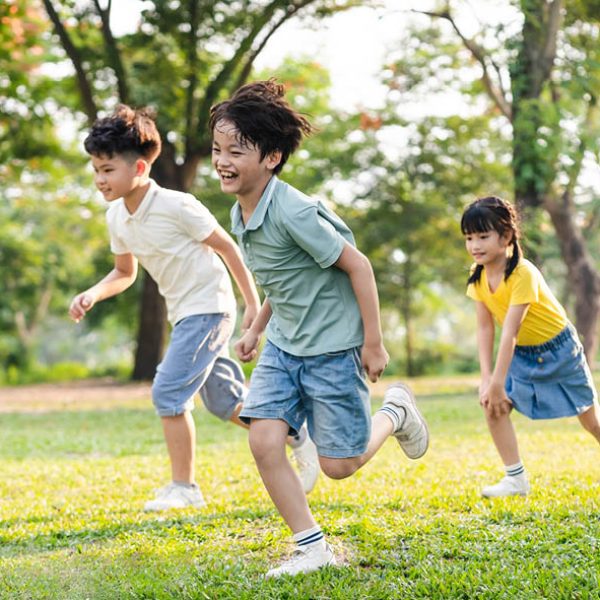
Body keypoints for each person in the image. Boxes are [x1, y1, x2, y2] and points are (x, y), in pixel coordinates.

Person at [209, 80, 429, 577]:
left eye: (236, 151)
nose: (222, 161)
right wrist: (256, 327)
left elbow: (360, 267)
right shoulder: (240, 211)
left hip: (334, 347)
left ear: (272, 157)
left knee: (339, 466)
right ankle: (311, 547)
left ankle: (395, 411)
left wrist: (373, 343)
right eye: (218, 149)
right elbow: (282, 279)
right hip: (286, 345)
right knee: (263, 440)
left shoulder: (295, 212)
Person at [68, 104, 319, 511]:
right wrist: (93, 293)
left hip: (209, 307)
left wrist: (252, 307)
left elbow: (229, 249)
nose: (99, 179)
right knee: (225, 402)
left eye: (107, 169)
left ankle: (184, 487)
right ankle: (294, 431)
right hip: (184, 312)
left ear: (139, 168)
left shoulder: (177, 205)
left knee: (168, 391)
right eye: (95, 169)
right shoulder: (117, 216)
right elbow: (123, 272)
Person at [462, 196, 600, 498]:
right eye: (469, 238)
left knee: (591, 421)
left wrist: (498, 381)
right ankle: (515, 479)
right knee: (492, 404)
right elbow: (485, 328)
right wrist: (487, 380)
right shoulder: (478, 276)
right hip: (522, 354)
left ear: (507, 236)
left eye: (483, 236)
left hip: (559, 351)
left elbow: (510, 330)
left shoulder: (523, 273)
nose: (475, 245)